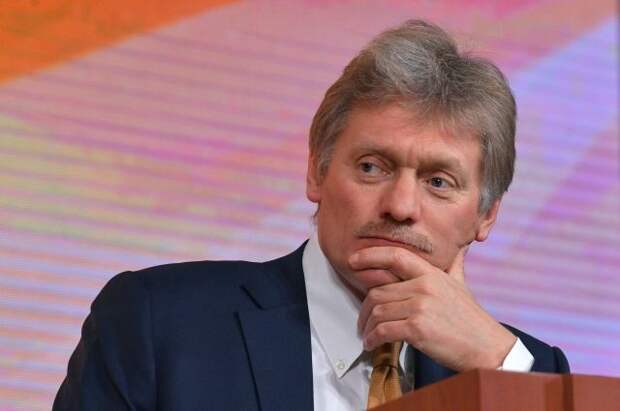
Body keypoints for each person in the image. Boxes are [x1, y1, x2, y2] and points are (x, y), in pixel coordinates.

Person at [53, 19, 569, 411]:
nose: (400, 206)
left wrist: (498, 366)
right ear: (317, 172)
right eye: (372, 167)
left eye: (438, 182)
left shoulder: (525, 369)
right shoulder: (157, 323)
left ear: (486, 216)